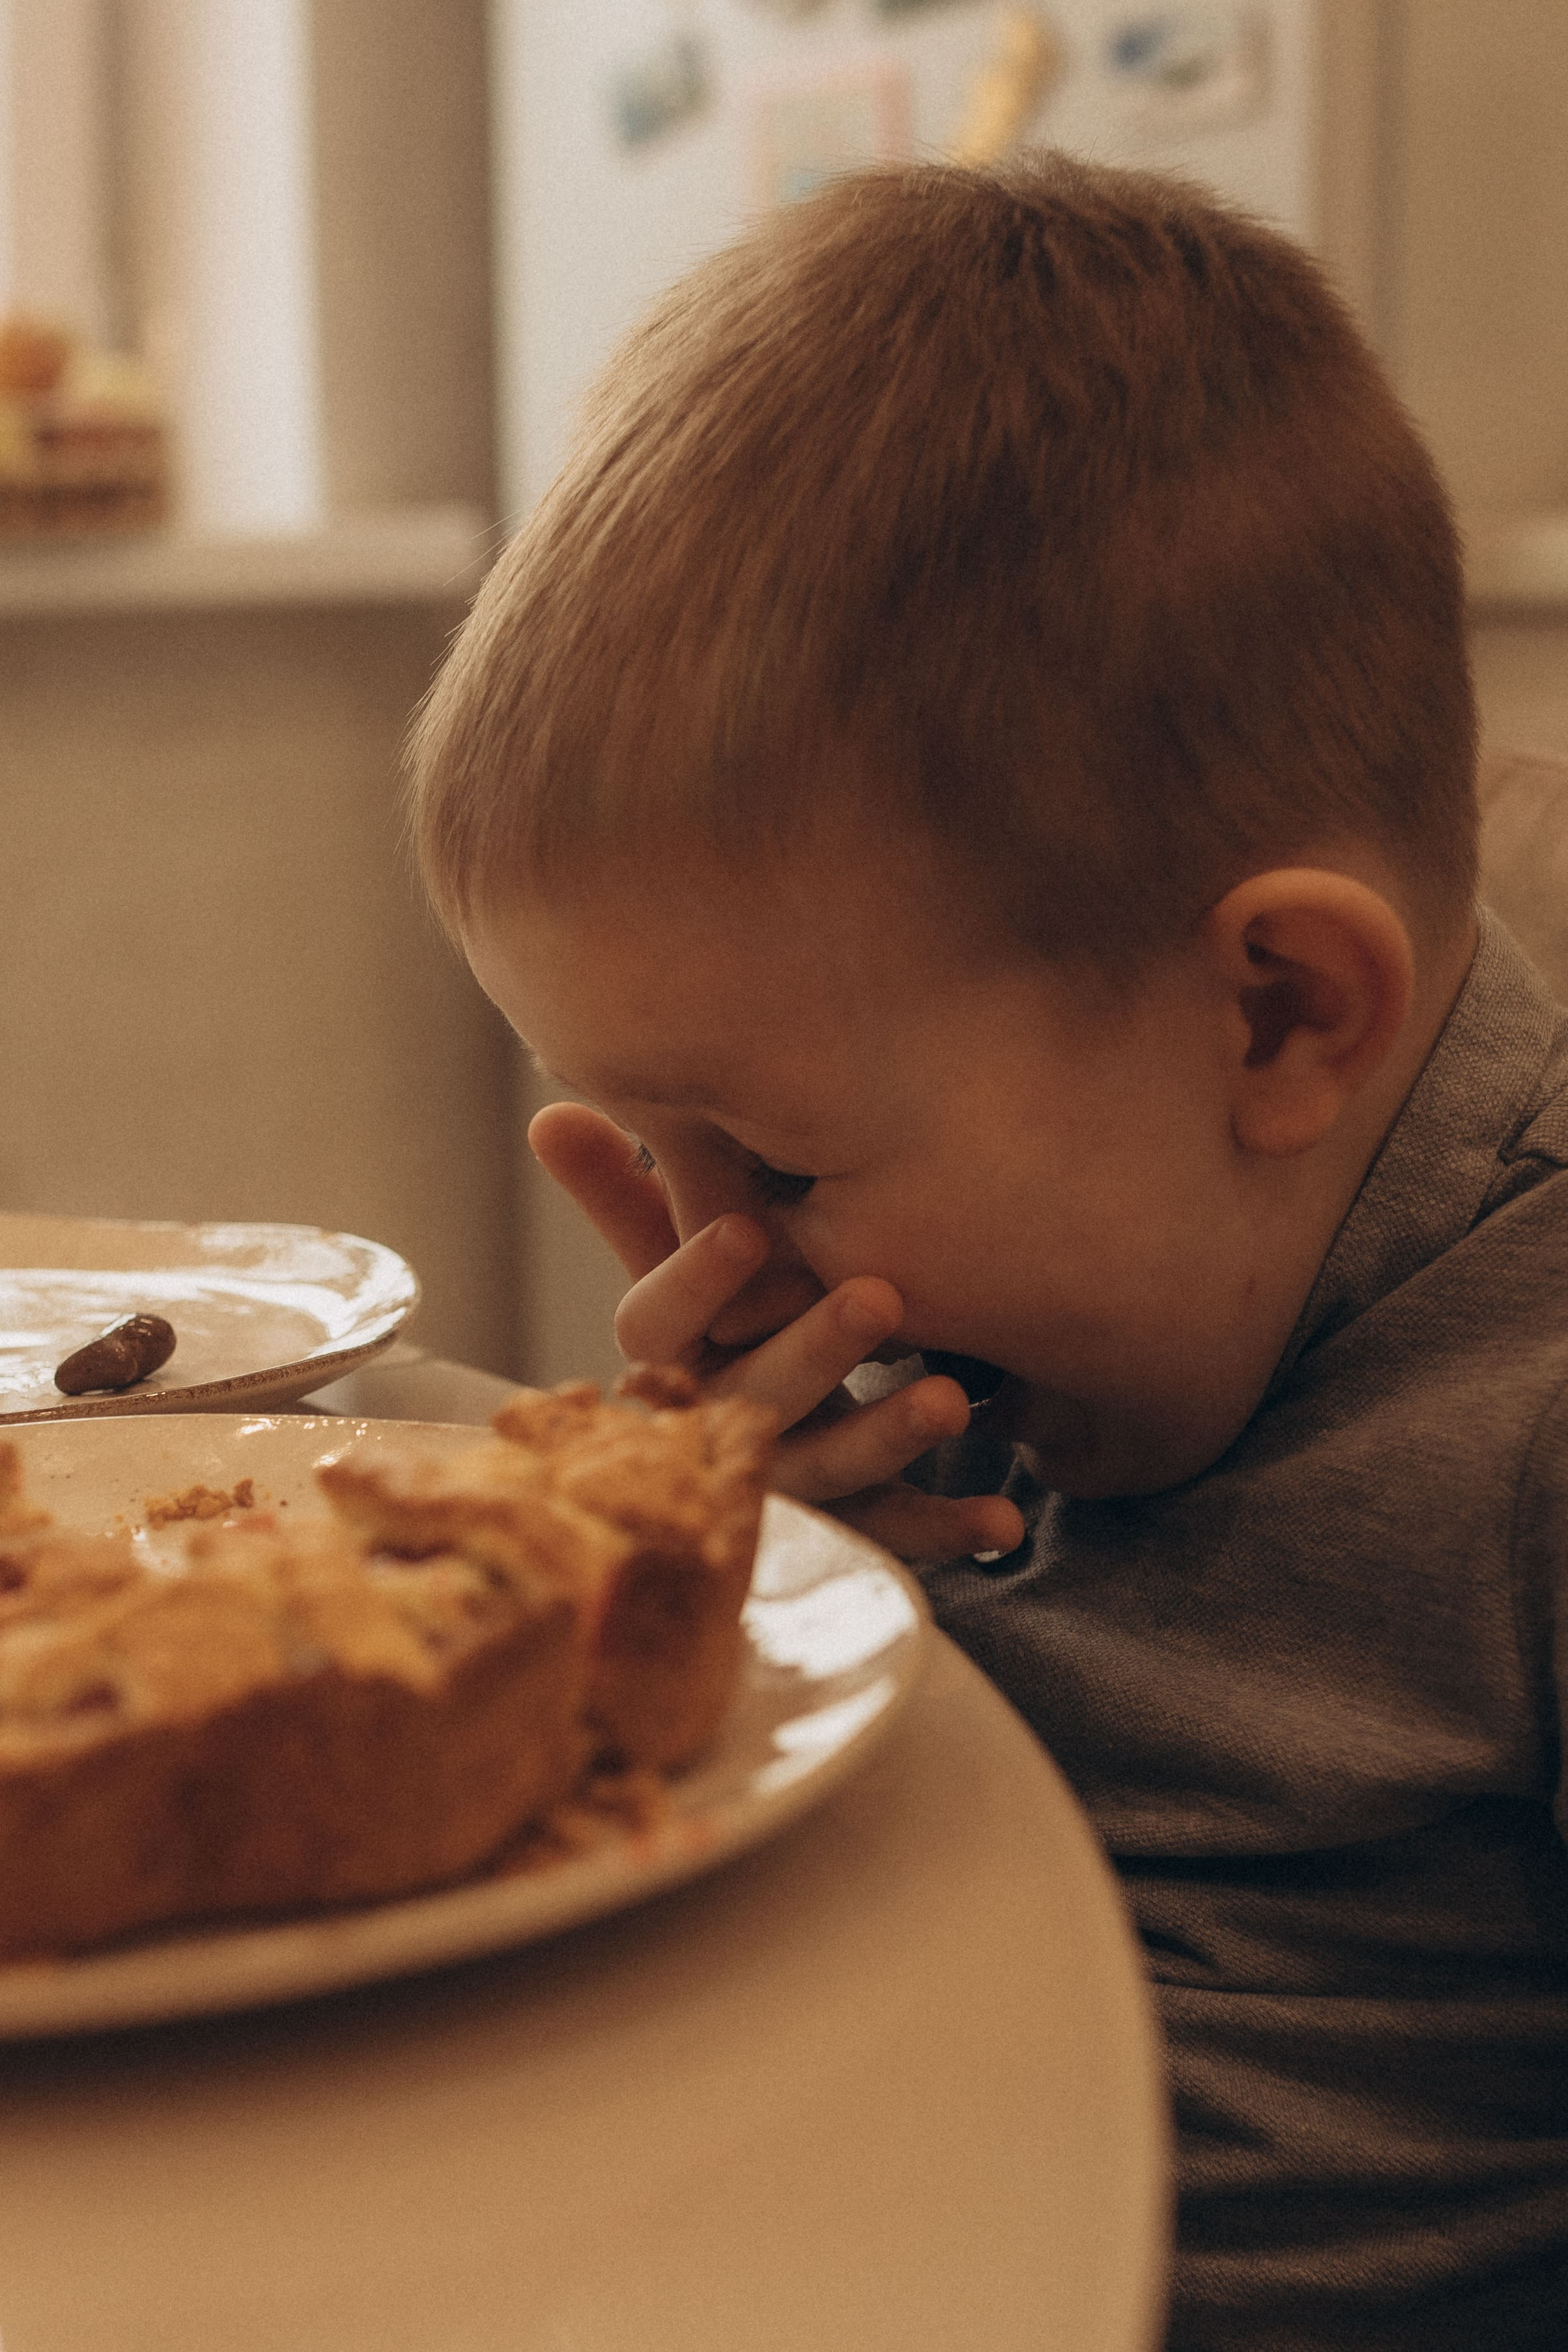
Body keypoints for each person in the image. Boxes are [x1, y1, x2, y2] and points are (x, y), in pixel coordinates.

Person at [406, 155, 1568, 2348]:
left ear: (1278, 1013)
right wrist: (738, 1621)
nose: (704, 1259)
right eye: (649, 1142)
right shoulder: (1082, 1277)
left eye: (770, 1156)